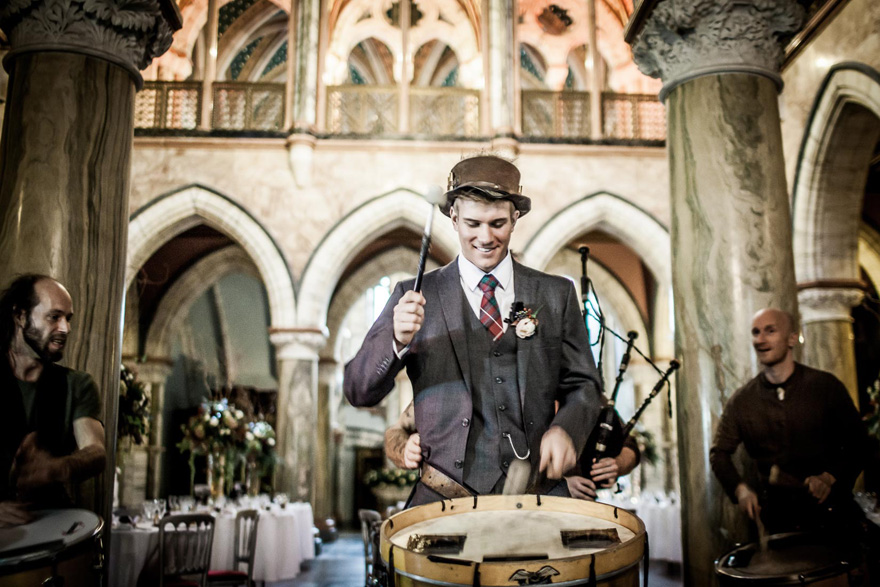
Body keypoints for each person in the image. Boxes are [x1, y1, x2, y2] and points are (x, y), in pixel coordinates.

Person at [345, 154, 604, 506]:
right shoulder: (414, 294)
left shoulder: (556, 294)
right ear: (453, 218)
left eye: (498, 223)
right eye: (473, 223)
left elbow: (584, 385)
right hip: (441, 500)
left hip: (536, 497)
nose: (485, 237)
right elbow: (358, 392)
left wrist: (565, 429)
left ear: (516, 218)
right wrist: (395, 340)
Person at [710, 307, 869, 534]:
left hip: (833, 519)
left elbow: (860, 443)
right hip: (776, 522)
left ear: (792, 338)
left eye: (770, 331)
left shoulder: (825, 386)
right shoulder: (742, 400)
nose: (760, 339)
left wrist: (828, 476)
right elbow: (719, 453)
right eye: (756, 332)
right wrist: (740, 490)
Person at [0, 274, 106, 527]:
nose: (65, 329)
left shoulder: (77, 384)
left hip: (50, 526)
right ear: (20, 316)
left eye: (68, 319)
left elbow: (95, 451)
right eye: (54, 317)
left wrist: (59, 467)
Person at [385, 401, 641, 501]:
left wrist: (619, 463)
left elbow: (630, 444)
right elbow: (396, 431)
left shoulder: (578, 391)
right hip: (462, 505)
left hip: (560, 514)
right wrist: (404, 449)